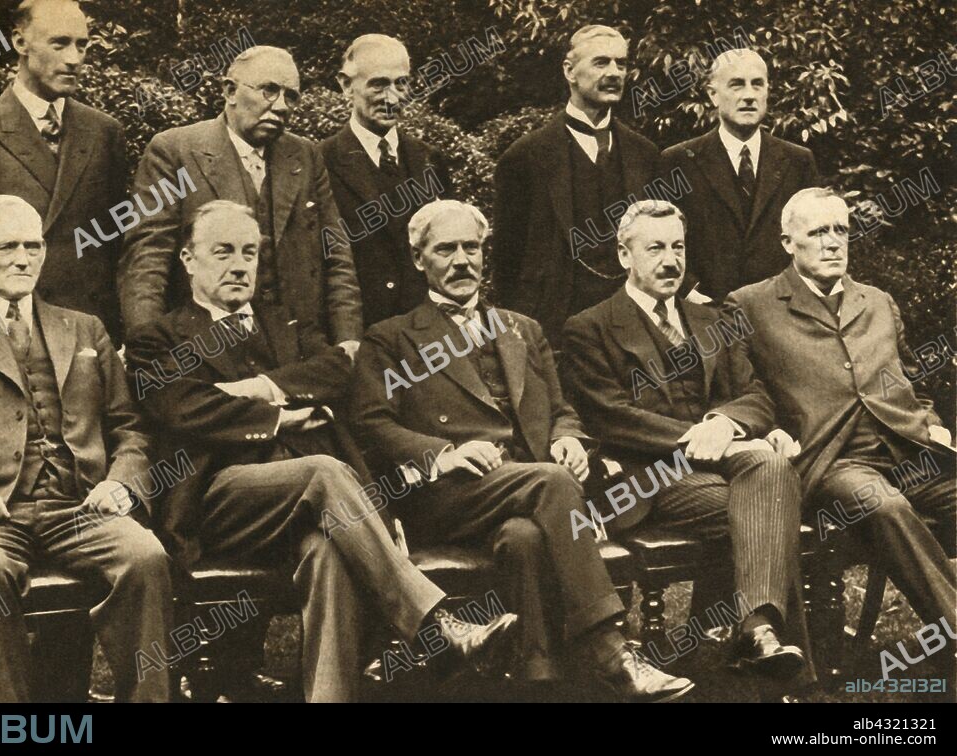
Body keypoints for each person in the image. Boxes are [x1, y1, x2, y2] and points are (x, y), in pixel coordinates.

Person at [125, 199, 516, 703]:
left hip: (312, 505)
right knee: (324, 471)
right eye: (222, 252)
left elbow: (337, 370)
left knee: (328, 550)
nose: (239, 264)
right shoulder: (158, 339)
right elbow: (183, 408)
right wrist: (284, 414)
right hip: (219, 500)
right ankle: (436, 626)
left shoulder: (283, 323)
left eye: (249, 252)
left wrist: (258, 387)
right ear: (188, 260)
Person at [350, 198, 695, 702]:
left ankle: (537, 680)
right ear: (419, 259)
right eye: (446, 249)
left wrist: (568, 438)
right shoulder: (391, 338)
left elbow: (562, 407)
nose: (462, 260)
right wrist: (441, 452)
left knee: (524, 538)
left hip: (526, 495)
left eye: (472, 247)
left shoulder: (522, 329)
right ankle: (612, 652)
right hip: (450, 496)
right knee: (552, 483)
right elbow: (370, 425)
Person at [0, 195, 172, 702]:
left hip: (78, 508)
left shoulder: (84, 327)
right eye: (6, 246)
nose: (24, 258)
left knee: (145, 556)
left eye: (33, 245)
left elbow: (129, 427)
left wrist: (121, 482)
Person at [562, 199, 810, 679]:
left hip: (721, 460)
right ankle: (766, 652)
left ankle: (752, 631)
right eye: (654, 248)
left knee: (772, 471)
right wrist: (698, 437)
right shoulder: (590, 326)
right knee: (773, 504)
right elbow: (608, 416)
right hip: (645, 477)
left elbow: (756, 395)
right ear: (623, 256)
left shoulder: (713, 319)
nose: (671, 260)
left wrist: (724, 422)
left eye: (678, 246)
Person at [725, 187, 956, 642]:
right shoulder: (750, 305)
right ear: (788, 241)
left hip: (910, 448)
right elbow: (744, 393)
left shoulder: (877, 301)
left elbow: (914, 381)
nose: (833, 242)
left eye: (841, 230)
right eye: (818, 232)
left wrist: (933, 425)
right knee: (885, 506)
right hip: (833, 460)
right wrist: (770, 430)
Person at [119, 46, 363, 358]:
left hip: (297, 348)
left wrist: (348, 338)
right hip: (204, 349)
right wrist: (148, 344)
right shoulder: (176, 151)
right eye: (269, 90)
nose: (281, 106)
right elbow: (148, 255)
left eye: (291, 96)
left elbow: (336, 254)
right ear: (230, 91)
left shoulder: (305, 156)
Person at [0, 0, 128, 338]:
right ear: (20, 42)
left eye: (82, 45)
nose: (74, 58)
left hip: (85, 332)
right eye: (59, 43)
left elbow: (115, 242)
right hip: (4, 332)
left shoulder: (105, 132)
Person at [493, 24, 662, 345]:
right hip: (553, 329)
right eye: (601, 62)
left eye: (621, 64)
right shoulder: (525, 157)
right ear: (570, 71)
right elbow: (507, 262)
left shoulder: (646, 154)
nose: (614, 72)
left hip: (633, 328)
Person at [662, 48, 820, 301]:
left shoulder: (798, 161)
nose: (749, 95)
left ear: (767, 91)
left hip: (783, 313)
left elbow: (814, 240)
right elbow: (661, 240)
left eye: (757, 85)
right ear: (713, 95)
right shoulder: (678, 161)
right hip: (705, 313)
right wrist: (690, 292)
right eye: (736, 85)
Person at [320, 34, 451, 327]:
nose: (392, 98)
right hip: (360, 333)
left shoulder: (429, 159)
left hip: (425, 332)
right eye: (378, 84)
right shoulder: (320, 162)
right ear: (345, 85)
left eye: (400, 84)